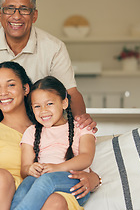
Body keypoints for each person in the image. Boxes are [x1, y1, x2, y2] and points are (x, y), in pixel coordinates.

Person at [0, 0, 97, 132]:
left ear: (34, 15)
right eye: (9, 9)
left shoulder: (54, 47)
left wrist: (81, 123)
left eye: (24, 9)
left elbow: (71, 93)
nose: (16, 16)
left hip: (40, 128)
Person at [0, 61, 100, 210]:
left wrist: (94, 179)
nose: (3, 92)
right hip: (10, 198)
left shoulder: (60, 126)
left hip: (58, 193)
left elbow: (82, 159)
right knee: (10, 178)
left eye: (11, 85)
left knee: (54, 199)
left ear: (26, 89)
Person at [10, 76, 95, 210]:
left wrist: (57, 167)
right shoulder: (31, 132)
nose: (43, 110)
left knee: (47, 180)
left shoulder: (81, 127)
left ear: (64, 103)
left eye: (49, 103)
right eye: (37, 106)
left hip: (74, 184)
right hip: (42, 180)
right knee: (26, 184)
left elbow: (86, 157)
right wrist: (30, 169)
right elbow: (24, 169)